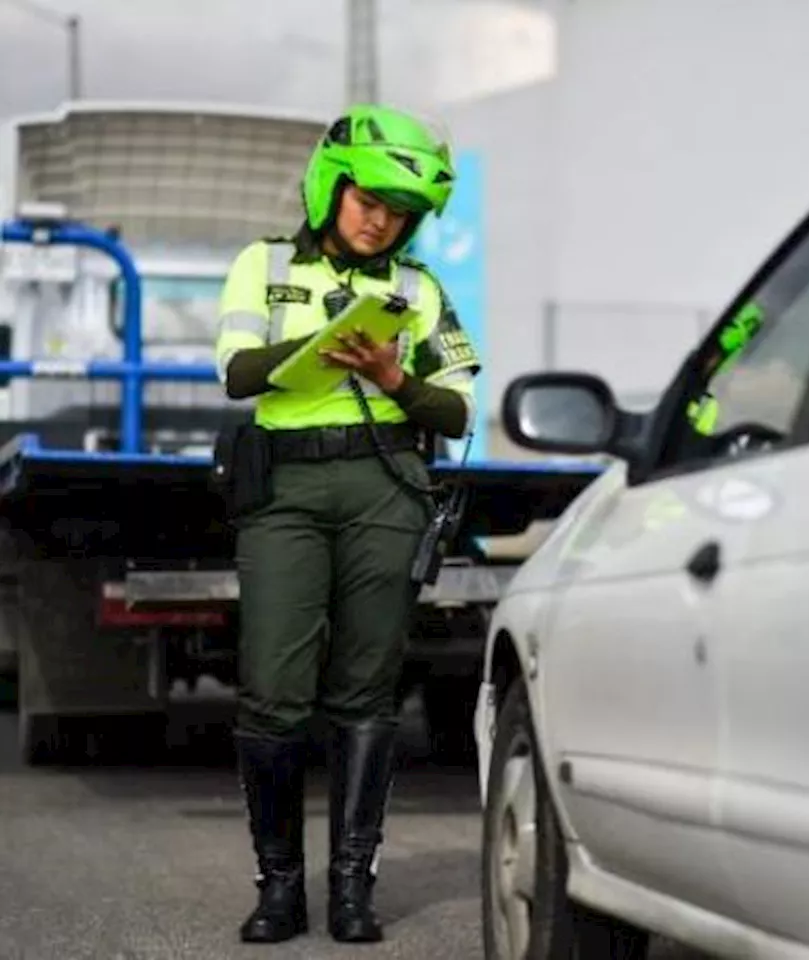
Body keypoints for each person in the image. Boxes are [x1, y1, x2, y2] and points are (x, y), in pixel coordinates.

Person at [213, 104, 481, 945]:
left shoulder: (419, 290)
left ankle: (353, 892)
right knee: (273, 688)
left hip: (386, 487)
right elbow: (235, 372)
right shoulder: (261, 265)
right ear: (333, 189)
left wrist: (395, 376)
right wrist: (314, 354)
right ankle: (280, 890)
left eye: (399, 212)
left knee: (368, 689)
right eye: (370, 200)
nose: (381, 221)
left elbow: (458, 407)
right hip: (285, 490)